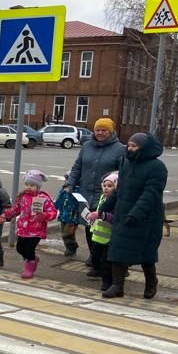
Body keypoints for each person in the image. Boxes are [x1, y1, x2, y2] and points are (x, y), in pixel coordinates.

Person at [104, 132, 168, 299]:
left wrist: (136, 214)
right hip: (123, 214)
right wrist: (106, 207)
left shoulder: (157, 167)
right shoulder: (126, 163)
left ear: (144, 148)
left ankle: (151, 282)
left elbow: (151, 194)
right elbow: (121, 189)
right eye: (129, 145)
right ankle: (117, 286)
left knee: (146, 255)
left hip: (147, 219)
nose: (130, 149)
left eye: (134, 146)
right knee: (117, 251)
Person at [65, 117, 126, 275]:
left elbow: (124, 172)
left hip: (106, 196)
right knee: (89, 226)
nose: (100, 133)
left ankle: (110, 262)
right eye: (98, 129)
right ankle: (95, 257)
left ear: (110, 132)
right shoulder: (86, 146)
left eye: (104, 130)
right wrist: (70, 183)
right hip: (86, 193)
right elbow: (78, 166)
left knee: (105, 228)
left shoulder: (120, 149)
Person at [0, 169, 58, 280]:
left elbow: (53, 212)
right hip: (23, 229)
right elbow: (15, 210)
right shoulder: (22, 197)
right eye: (27, 184)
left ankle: (29, 268)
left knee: (29, 249)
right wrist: (5, 215)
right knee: (20, 248)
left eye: (32, 185)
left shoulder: (43, 198)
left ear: (38, 187)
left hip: (37, 230)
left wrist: (44, 215)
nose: (29, 187)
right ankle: (33, 259)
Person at [85, 172, 118, 293]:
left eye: (110, 186)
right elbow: (99, 212)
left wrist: (102, 215)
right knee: (96, 256)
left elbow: (114, 217)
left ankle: (107, 282)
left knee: (106, 262)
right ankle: (98, 271)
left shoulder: (116, 201)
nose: (106, 188)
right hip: (98, 235)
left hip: (109, 237)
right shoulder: (102, 198)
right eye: (104, 186)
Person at [54, 172, 84, 257]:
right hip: (64, 215)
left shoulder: (78, 191)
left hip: (73, 217)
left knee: (68, 233)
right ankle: (70, 247)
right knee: (64, 232)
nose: (66, 181)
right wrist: (54, 207)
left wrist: (71, 193)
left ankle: (72, 247)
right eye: (66, 179)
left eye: (68, 179)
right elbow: (59, 200)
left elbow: (78, 203)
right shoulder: (63, 190)